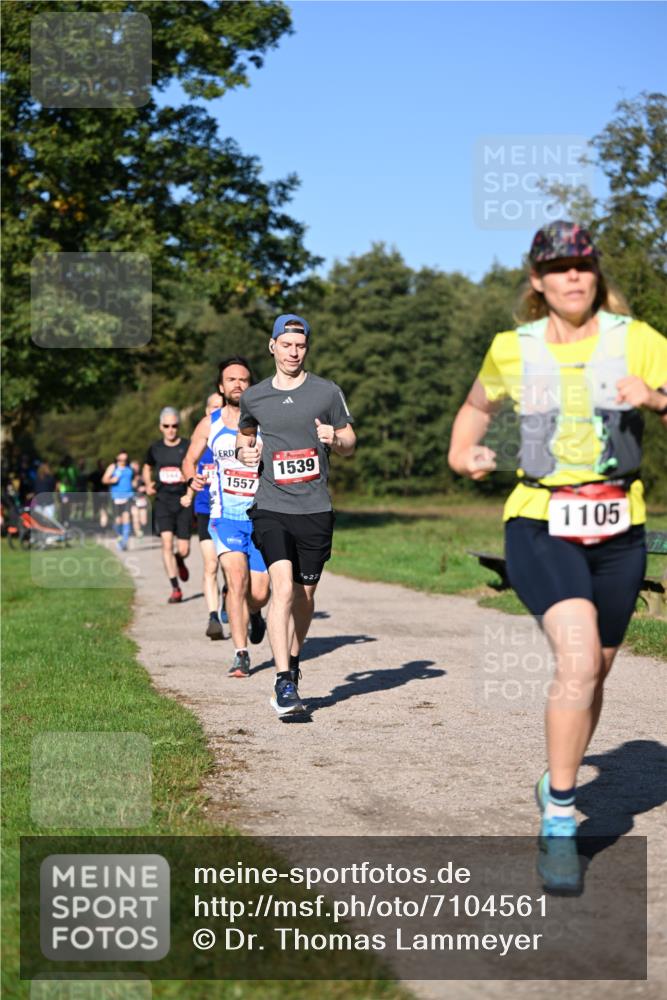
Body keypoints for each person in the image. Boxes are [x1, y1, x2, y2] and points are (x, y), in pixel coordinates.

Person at [448, 220, 667, 889]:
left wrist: (653, 397)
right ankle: (562, 819)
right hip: (540, 519)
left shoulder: (637, 341)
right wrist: (464, 453)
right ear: (537, 281)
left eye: (583, 264)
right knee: (575, 658)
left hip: (618, 525)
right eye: (558, 266)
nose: (572, 275)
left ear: (595, 275)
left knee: (592, 672)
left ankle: (554, 780)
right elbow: (474, 409)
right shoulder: (511, 348)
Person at [237, 314, 356, 716]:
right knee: (282, 588)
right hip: (272, 506)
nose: (293, 352)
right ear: (272, 346)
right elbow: (245, 436)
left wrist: (335, 439)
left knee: (305, 596)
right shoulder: (254, 396)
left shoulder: (326, 392)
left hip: (315, 508)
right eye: (286, 345)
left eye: (300, 346)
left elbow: (351, 441)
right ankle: (283, 682)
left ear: (307, 348)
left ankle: (293, 663)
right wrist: (245, 452)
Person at [184, 359, 269, 675]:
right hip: (225, 515)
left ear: (251, 386)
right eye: (231, 379)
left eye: (244, 379)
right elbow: (189, 460)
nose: (237, 384)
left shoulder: (266, 422)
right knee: (235, 580)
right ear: (221, 386)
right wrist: (192, 477)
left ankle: (254, 613)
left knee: (259, 592)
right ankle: (241, 653)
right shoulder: (210, 423)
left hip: (262, 516)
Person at [180, 391, 227, 641]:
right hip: (205, 509)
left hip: (231, 511)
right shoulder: (200, 441)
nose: (216, 411)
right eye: (212, 407)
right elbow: (192, 469)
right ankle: (213, 616)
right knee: (211, 564)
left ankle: (232, 597)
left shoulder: (232, 439)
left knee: (233, 569)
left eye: (221, 407)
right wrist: (189, 493)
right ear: (206, 411)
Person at [143, 407, 191, 604]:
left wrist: (188, 476)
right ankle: (175, 588)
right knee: (166, 544)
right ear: (160, 427)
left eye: (174, 426)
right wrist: (147, 484)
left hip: (183, 501)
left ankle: (179, 559)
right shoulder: (155, 449)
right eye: (167, 426)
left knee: (184, 549)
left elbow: (195, 465)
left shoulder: (187, 446)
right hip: (162, 501)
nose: (171, 430)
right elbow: (147, 466)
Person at [102, 451, 134, 550]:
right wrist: (112, 480)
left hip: (128, 496)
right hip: (116, 496)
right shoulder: (113, 467)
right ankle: (119, 538)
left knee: (127, 517)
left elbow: (132, 479)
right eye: (121, 457)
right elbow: (104, 480)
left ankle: (124, 541)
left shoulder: (129, 467)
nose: (123, 459)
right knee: (118, 520)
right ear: (117, 457)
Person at [130, 461, 149, 539]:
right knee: (135, 517)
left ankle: (141, 528)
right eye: (134, 467)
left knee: (144, 521)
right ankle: (138, 532)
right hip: (133, 500)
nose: (135, 468)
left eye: (137, 466)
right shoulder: (129, 477)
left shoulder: (142, 476)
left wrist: (144, 488)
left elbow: (148, 486)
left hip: (142, 499)